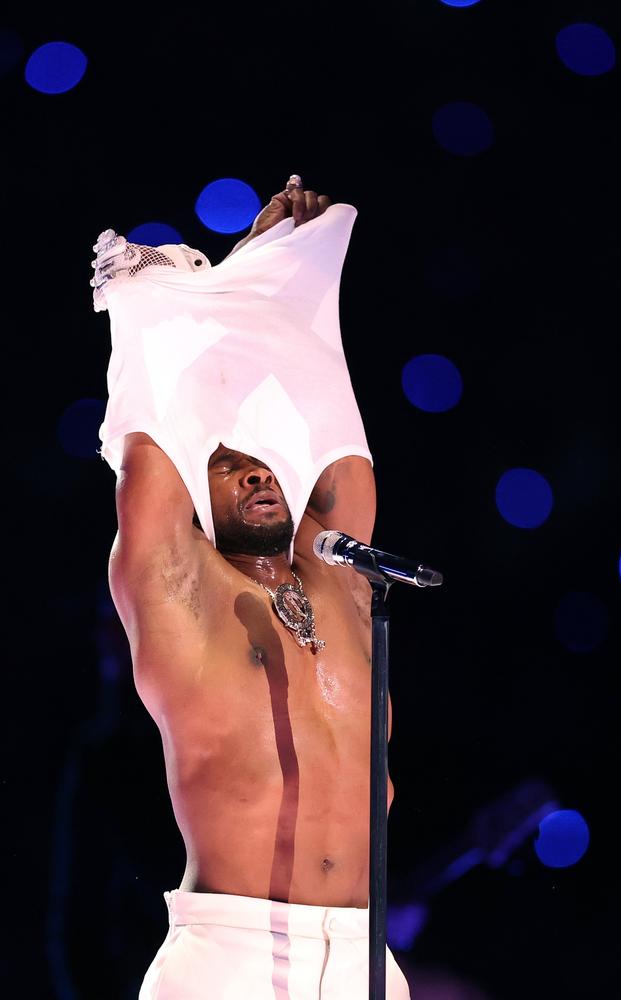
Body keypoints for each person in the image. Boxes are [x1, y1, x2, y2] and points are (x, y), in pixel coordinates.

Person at [92, 177, 411, 998]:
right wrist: (212, 292)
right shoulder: (178, 595)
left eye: (262, 459)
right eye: (224, 462)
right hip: (233, 958)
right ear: (194, 498)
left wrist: (277, 273)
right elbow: (150, 446)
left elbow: (329, 414)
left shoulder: (342, 579)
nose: (254, 468)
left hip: (367, 960)